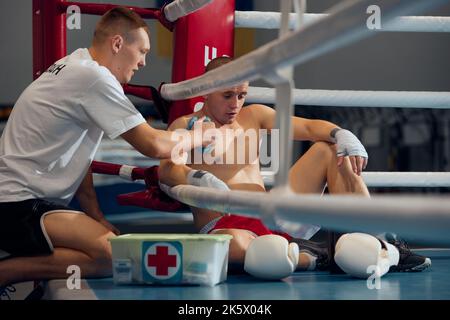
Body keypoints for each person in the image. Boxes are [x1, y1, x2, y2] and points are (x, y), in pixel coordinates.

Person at [159, 56, 431, 279]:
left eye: (241, 95)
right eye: (227, 95)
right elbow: (167, 170)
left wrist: (341, 134)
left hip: (270, 213)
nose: (235, 104)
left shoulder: (253, 115)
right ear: (206, 90)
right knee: (239, 251)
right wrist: (198, 178)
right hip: (226, 226)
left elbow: (311, 128)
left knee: (329, 149)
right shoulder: (185, 126)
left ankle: (378, 243)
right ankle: (315, 256)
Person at [0, 7, 212, 288]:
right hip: (18, 205)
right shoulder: (95, 78)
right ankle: (6, 272)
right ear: (117, 44)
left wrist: (96, 216)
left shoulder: (74, 64)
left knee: (103, 252)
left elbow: (78, 156)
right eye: (142, 51)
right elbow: (154, 144)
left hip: (19, 203)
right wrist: (202, 135)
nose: (143, 63)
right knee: (115, 257)